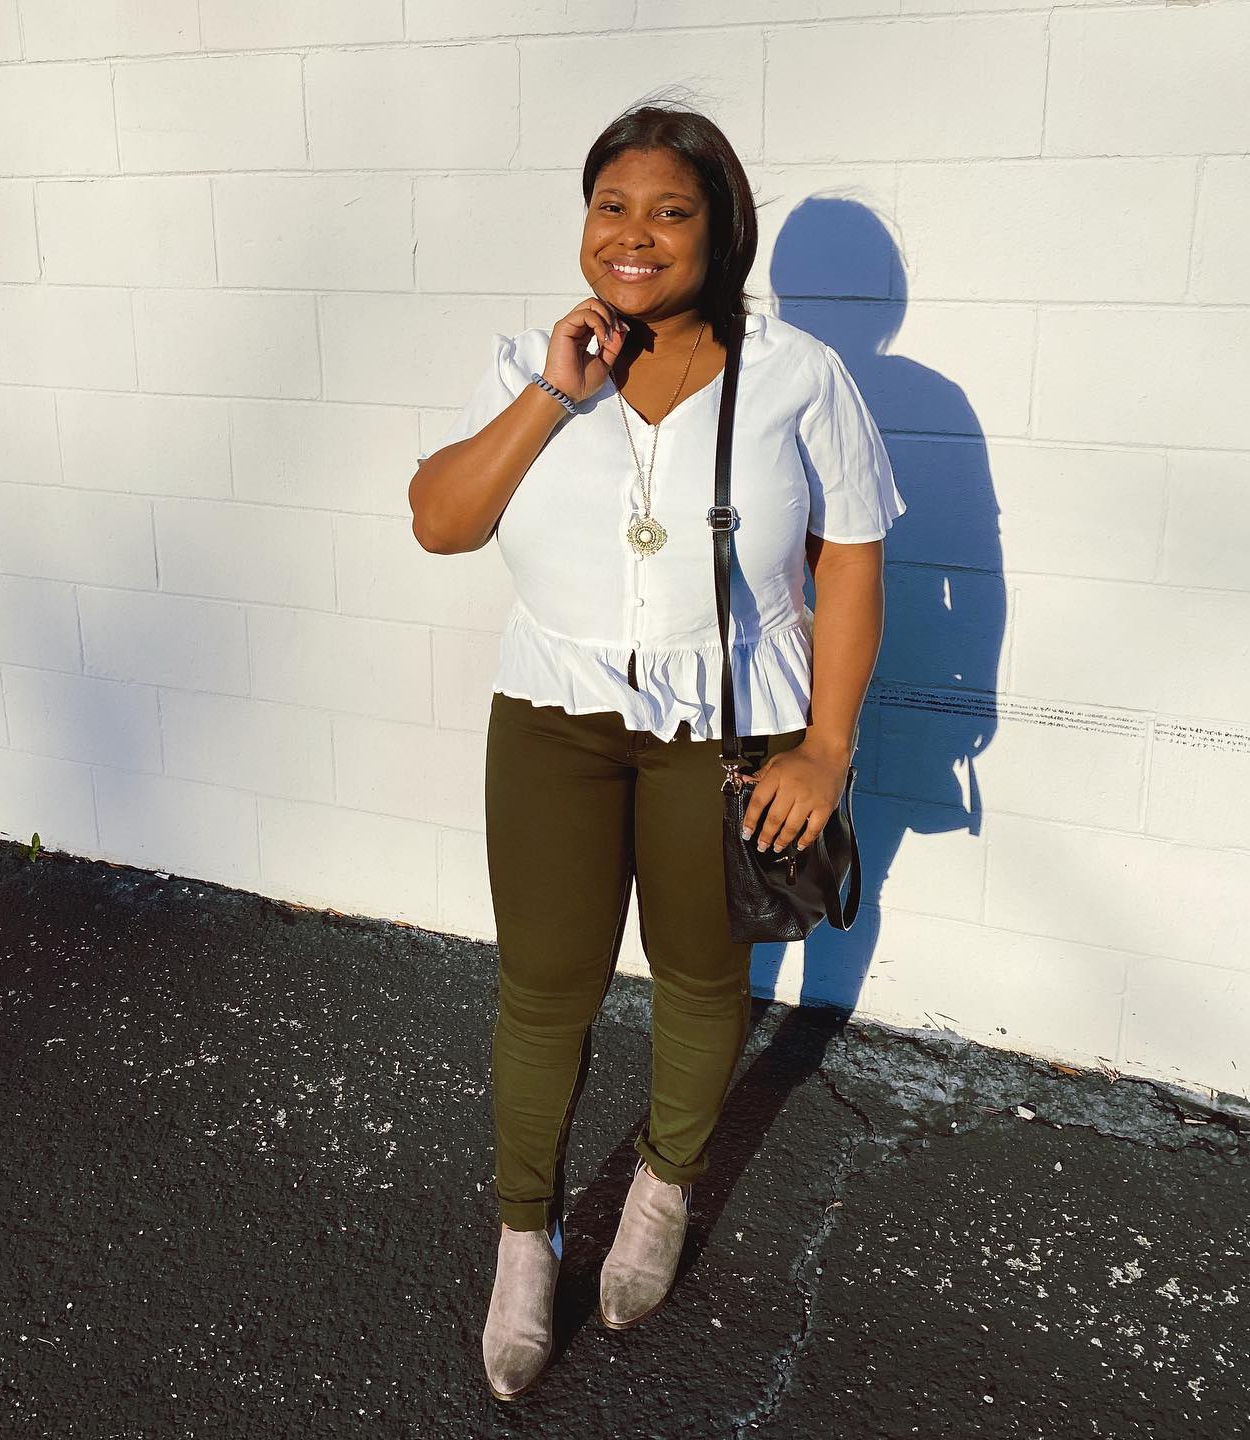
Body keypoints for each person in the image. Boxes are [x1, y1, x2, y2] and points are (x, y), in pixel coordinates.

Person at [407, 102, 907, 1402]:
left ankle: (663, 1191)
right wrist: (551, 396)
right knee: (544, 988)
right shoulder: (532, 363)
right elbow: (441, 522)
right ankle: (525, 1238)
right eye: (612, 207)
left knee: (700, 973)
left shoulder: (800, 376)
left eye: (670, 211)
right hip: (554, 717)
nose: (634, 235)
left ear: (722, 230)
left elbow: (853, 562)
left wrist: (828, 749)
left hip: (731, 731)